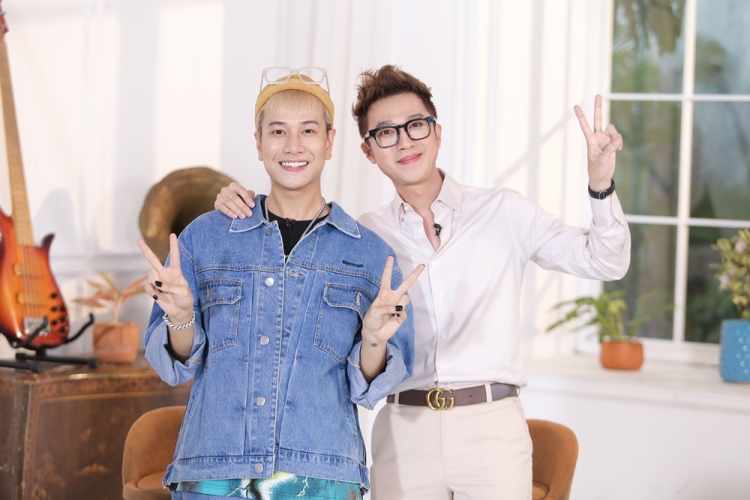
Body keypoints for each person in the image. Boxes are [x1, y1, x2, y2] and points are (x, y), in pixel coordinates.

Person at [213, 65, 630, 499]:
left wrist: (600, 184)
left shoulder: (504, 211)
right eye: (386, 133)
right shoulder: (363, 236)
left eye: (415, 125)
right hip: (403, 429)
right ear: (369, 152)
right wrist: (239, 205)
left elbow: (605, 261)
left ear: (437, 132)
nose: (405, 141)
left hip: (491, 428)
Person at [138, 66, 423, 500]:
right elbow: (176, 367)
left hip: (320, 476)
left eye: (308, 130)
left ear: (329, 142)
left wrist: (372, 340)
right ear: (258, 143)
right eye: (277, 131)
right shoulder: (205, 238)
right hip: (215, 469)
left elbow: (369, 387)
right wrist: (179, 317)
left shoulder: (371, 256)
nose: (293, 145)